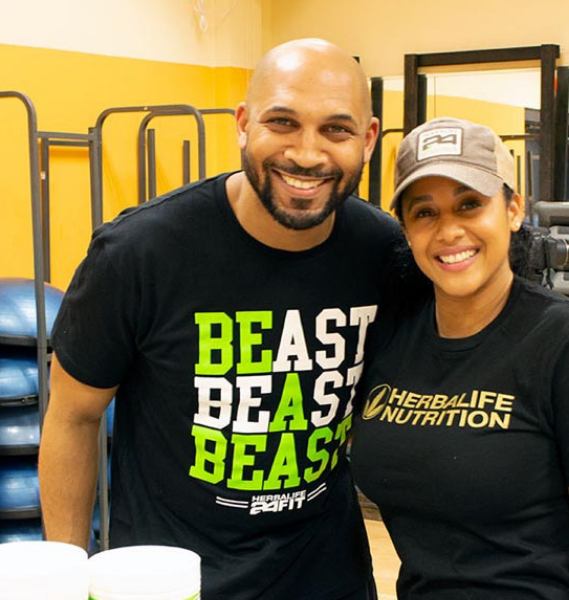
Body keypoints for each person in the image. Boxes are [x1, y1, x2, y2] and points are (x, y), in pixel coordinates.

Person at [39, 38, 410, 600]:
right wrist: (65, 579)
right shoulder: (140, 252)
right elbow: (72, 416)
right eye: (282, 122)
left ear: (368, 138)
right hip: (173, 581)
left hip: (328, 577)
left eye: (335, 129)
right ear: (243, 124)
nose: (307, 154)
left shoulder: (383, 249)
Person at [349, 117, 569, 599]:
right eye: (425, 213)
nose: (449, 231)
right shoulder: (392, 340)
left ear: (512, 208)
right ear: (405, 227)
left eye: (470, 204)